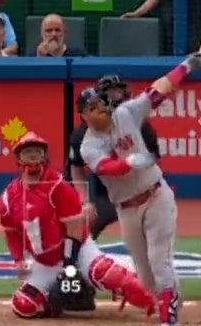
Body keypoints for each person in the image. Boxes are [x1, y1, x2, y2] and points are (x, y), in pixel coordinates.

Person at [77, 52, 201, 326]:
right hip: (127, 209)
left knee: (160, 260)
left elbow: (157, 92)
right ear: (83, 116)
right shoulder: (88, 146)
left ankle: (170, 325)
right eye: (91, 108)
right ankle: (171, 302)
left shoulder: (125, 114)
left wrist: (185, 67)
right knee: (146, 278)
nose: (99, 110)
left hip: (156, 196)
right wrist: (133, 161)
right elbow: (107, 168)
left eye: (100, 103)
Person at [0, 132, 155, 320]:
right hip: (43, 261)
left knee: (106, 274)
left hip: (77, 250)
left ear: (44, 156)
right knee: (24, 306)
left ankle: (156, 301)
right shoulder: (9, 198)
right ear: (18, 159)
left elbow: (76, 226)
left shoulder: (57, 186)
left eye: (37, 152)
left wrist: (69, 263)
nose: (32, 157)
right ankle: (61, 301)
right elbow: (12, 233)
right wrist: (18, 259)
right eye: (27, 152)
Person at [67, 74, 160, 243]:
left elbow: (153, 158)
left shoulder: (140, 124)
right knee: (87, 223)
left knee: (154, 225)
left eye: (118, 92)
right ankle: (75, 260)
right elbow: (76, 169)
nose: (116, 98)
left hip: (139, 189)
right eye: (110, 94)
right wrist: (85, 202)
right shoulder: (83, 136)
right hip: (106, 194)